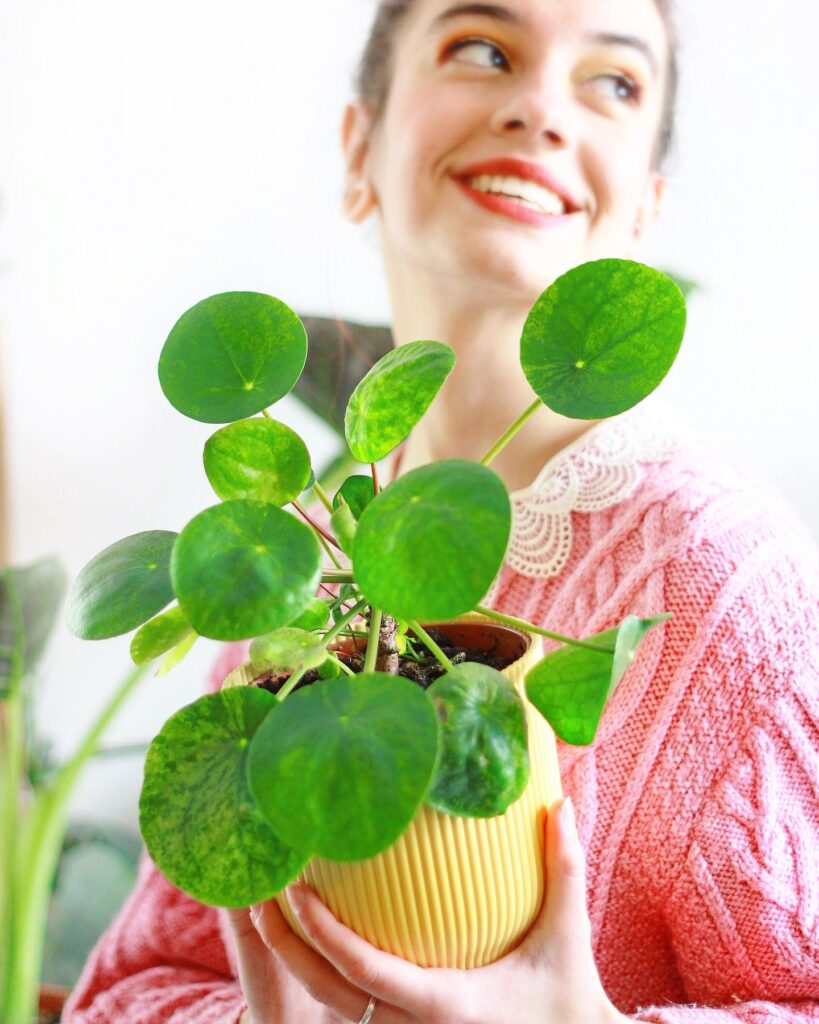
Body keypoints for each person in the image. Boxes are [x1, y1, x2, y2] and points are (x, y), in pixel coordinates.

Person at [64, 0, 819, 1021]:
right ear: (358, 145)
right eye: (481, 47)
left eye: (614, 81)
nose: (542, 107)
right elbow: (129, 989)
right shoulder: (299, 564)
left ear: (644, 204)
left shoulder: (732, 584)